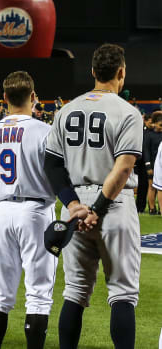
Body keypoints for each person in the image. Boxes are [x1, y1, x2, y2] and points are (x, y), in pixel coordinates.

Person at [44, 43, 142, 349]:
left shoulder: (67, 110)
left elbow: (52, 164)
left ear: (93, 73)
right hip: (113, 206)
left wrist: (74, 206)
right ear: (121, 73)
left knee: (74, 291)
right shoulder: (128, 112)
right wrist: (97, 209)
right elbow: (124, 168)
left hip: (74, 209)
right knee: (122, 293)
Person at [0, 71, 57, 349]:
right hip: (36, 212)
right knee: (38, 294)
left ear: (5, 98)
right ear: (33, 98)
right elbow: (60, 177)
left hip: (3, 213)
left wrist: (4, 199)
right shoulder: (45, 131)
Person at [144, 111, 162, 214]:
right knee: (152, 187)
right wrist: (148, 166)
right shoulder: (149, 135)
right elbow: (146, 151)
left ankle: (160, 207)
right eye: (160, 125)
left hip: (160, 164)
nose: (161, 127)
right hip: (152, 164)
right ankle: (151, 208)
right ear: (154, 123)